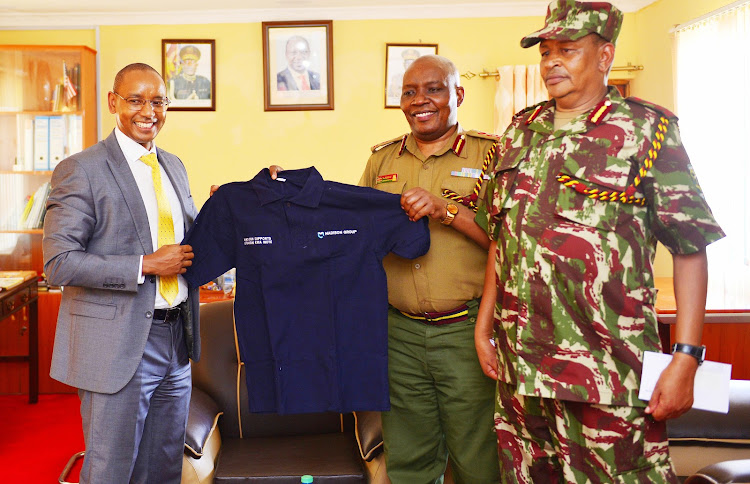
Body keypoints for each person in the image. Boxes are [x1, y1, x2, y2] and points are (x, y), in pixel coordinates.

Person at [473, 1, 725, 482]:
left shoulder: (647, 130)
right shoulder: (520, 132)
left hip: (608, 372)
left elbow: (690, 245)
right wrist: (484, 327)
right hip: (521, 369)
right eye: (546, 52)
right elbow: (501, 237)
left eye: (567, 50)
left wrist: (687, 358)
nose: (551, 62)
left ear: (605, 55)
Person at [43, 63, 199, 484]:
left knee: (164, 468)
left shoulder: (174, 166)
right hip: (118, 345)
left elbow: (186, 244)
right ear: (114, 102)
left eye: (158, 101)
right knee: (112, 470)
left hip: (175, 342)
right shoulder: (82, 169)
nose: (149, 111)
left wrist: (234, 203)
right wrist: (145, 265)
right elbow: (59, 261)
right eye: (136, 100)